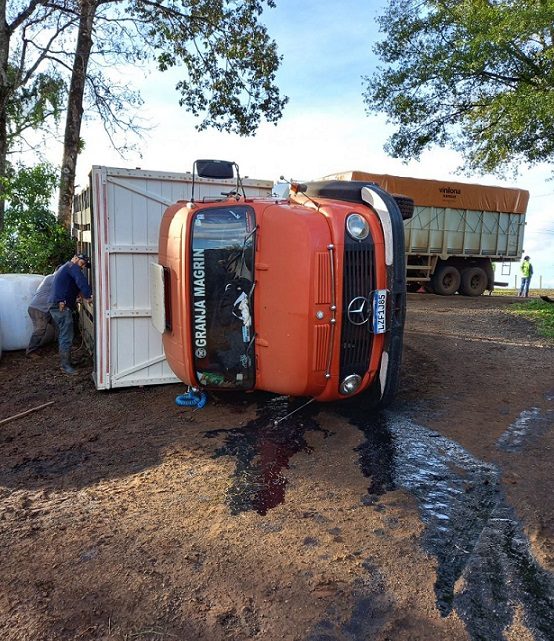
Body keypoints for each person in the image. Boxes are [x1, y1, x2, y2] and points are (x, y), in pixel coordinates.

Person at [49, 253, 93, 375]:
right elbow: (81, 280)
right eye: (82, 263)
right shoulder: (72, 266)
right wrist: (89, 295)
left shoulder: (66, 268)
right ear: (75, 258)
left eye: (84, 265)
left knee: (65, 335)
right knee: (66, 336)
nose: (82, 266)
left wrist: (79, 294)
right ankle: (65, 366)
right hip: (61, 307)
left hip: (58, 305)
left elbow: (72, 285)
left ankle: (67, 363)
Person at [26, 268, 59, 359]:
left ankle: (60, 347)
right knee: (40, 330)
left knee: (58, 324)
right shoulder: (52, 278)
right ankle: (31, 351)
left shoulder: (50, 278)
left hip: (43, 308)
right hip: (39, 308)